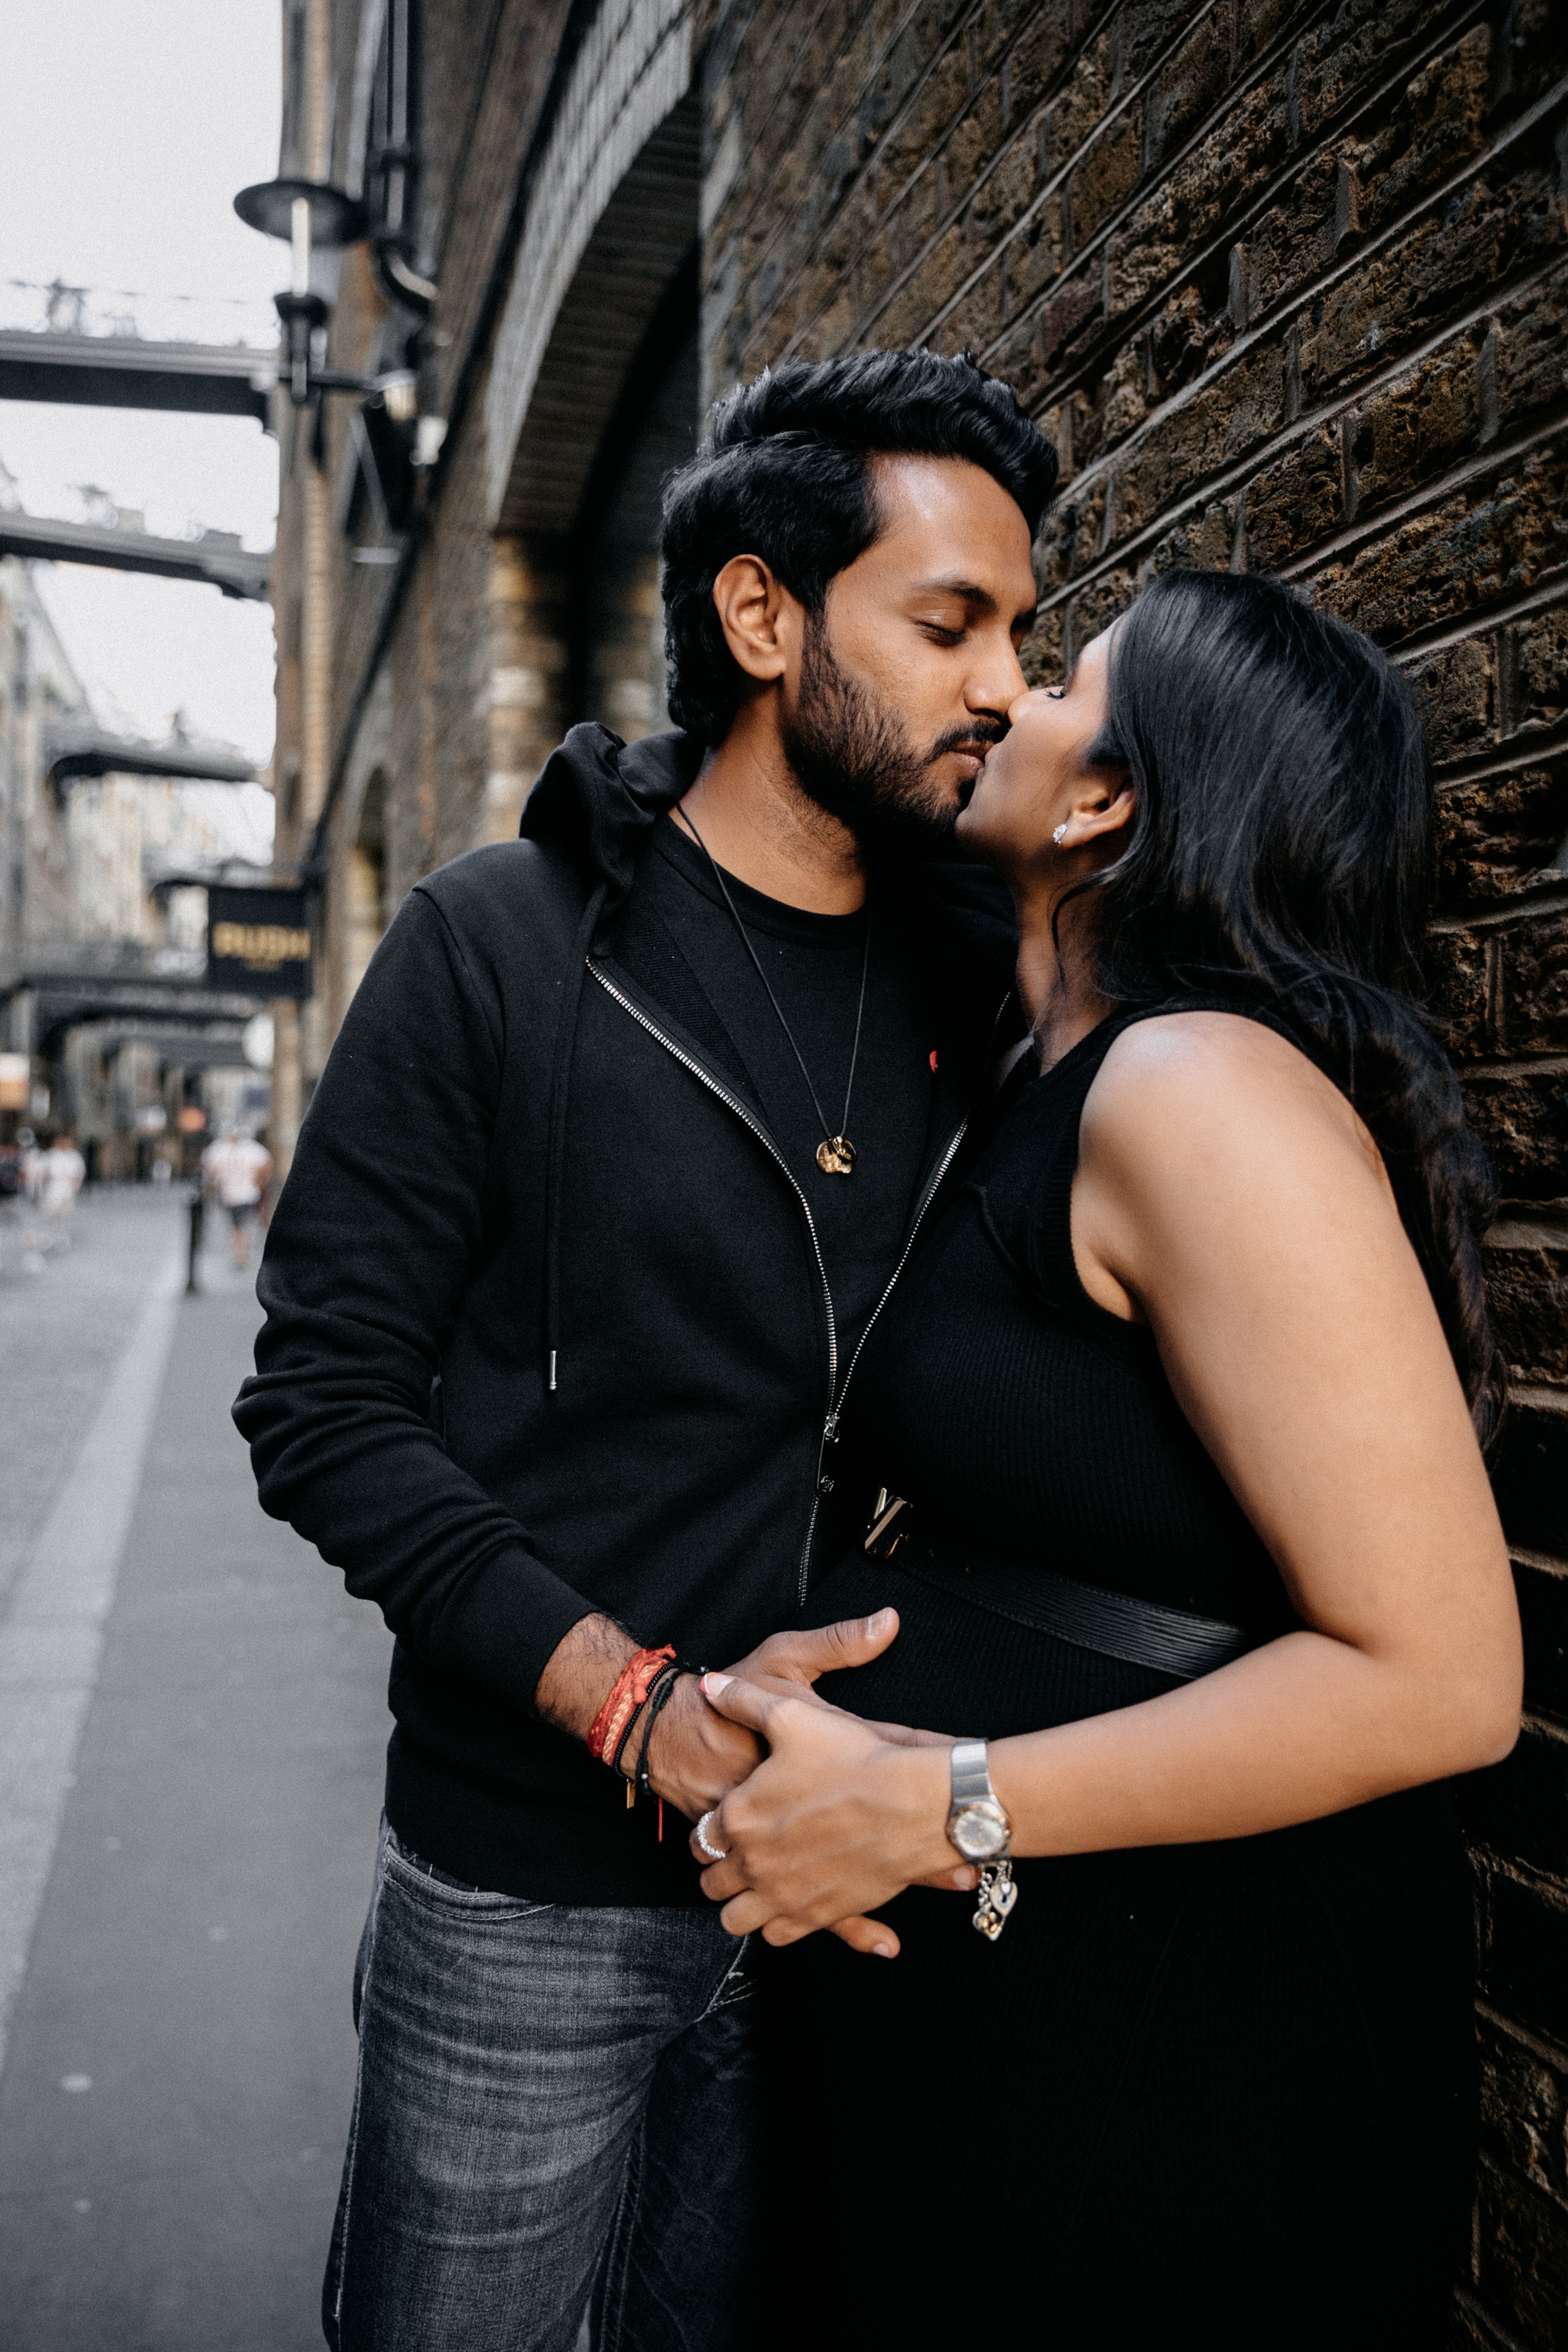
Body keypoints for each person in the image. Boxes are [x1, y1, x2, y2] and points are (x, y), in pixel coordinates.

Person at [232, 349, 1056, 2352]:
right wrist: (639, 1708)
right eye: (949, 623)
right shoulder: (498, 945)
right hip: (529, 1897)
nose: (1003, 688)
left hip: (852, 1901)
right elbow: (322, 1407)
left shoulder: (990, 977)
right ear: (762, 616)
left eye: (1024, 637)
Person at [690, 570, 1524, 2350]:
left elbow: (1445, 1677)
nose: (1005, 695)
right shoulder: (1042, 1070)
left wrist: (936, 1800)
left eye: (1062, 677)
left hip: (1184, 2023)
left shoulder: (1192, 1087)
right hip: (1033, 2014)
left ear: (1103, 800)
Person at [202, 1125, 273, 1268]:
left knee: (238, 1227)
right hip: (243, 1194)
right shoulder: (252, 1149)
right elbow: (267, 1164)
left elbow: (209, 1167)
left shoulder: (220, 1149)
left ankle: (241, 1254)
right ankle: (242, 1253)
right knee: (241, 1226)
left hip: (238, 1195)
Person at [34, 1131, 86, 1253]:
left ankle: (62, 1239)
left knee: (64, 1216)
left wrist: (76, 1187)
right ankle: (46, 1239)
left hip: (67, 1190)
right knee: (49, 1215)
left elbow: (80, 1173)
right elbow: (41, 1171)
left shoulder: (74, 1156)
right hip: (52, 1189)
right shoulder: (50, 1155)